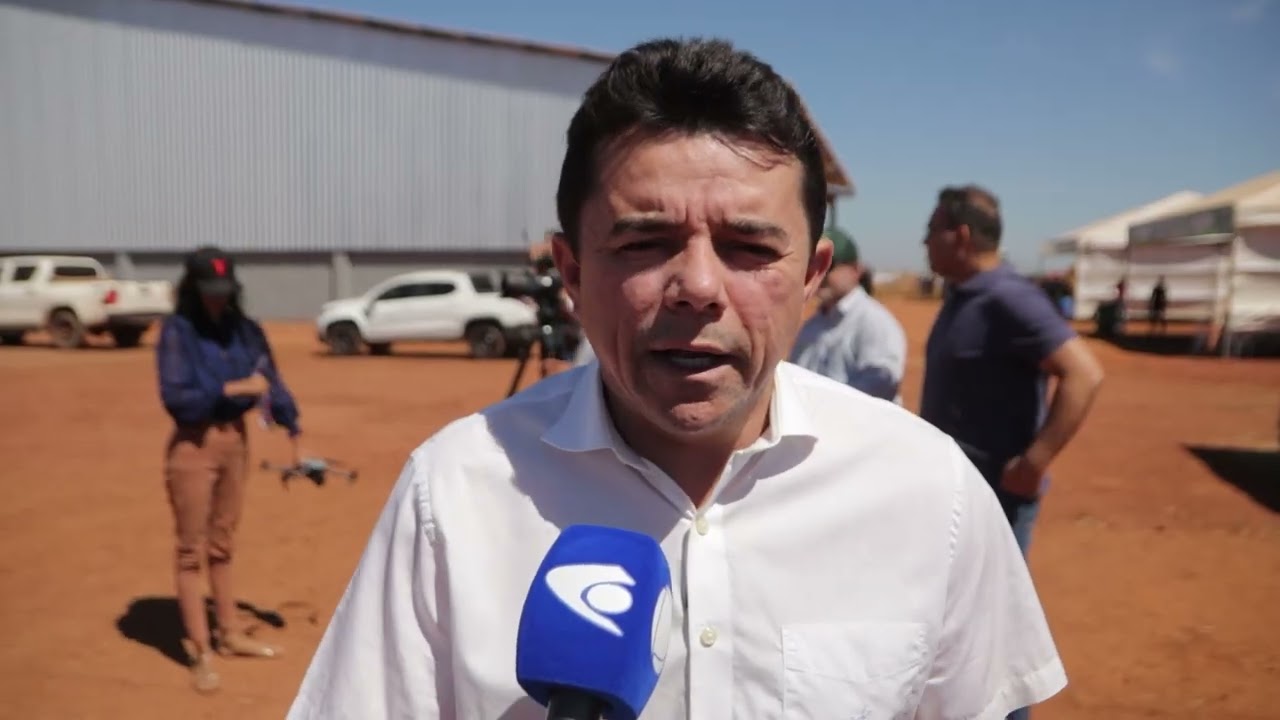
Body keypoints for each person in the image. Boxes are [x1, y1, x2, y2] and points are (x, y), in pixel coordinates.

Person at [286, 39, 1066, 720]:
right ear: (571, 271)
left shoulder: (932, 492)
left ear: (811, 276)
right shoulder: (453, 495)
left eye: (749, 247)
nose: (697, 286)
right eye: (646, 242)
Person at [919, 185, 1104, 719]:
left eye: (931, 230)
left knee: (993, 640)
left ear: (960, 235)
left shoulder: (1009, 297)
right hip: (957, 500)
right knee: (957, 630)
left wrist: (1036, 461)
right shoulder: (965, 294)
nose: (923, 241)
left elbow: (1084, 374)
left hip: (997, 501)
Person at [156, 246, 304, 693]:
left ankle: (230, 633)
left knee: (222, 545)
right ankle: (200, 650)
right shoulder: (178, 333)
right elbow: (180, 397)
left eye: (224, 291)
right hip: (193, 446)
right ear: (193, 290)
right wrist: (237, 387)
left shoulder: (245, 331)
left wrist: (294, 431)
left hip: (234, 442)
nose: (217, 300)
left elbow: (271, 382)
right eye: (209, 292)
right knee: (190, 550)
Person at [790, 226, 908, 403]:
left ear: (856, 270)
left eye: (829, 266)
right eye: (812, 265)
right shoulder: (812, 326)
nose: (818, 274)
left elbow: (881, 386)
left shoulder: (874, 322)